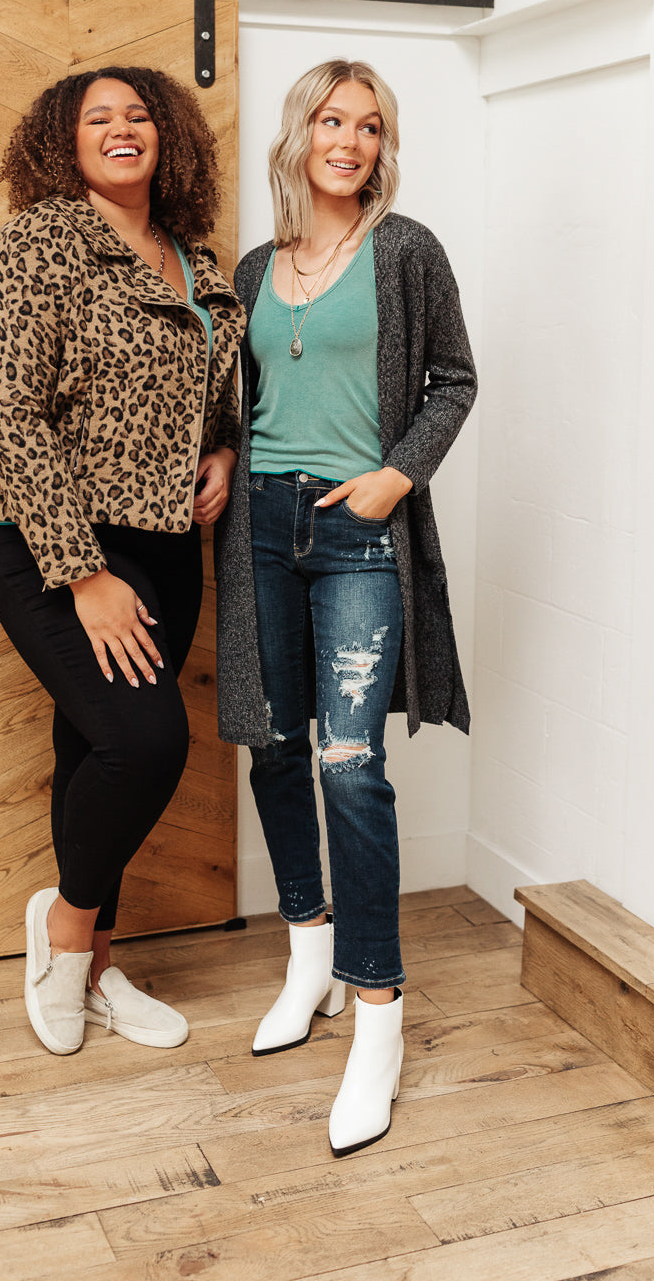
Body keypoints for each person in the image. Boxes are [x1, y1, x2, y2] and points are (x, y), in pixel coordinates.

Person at [216, 58, 476, 1156]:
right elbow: (244, 398)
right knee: (274, 747)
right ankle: (308, 955)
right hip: (260, 529)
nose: (350, 141)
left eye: (369, 125)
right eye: (332, 119)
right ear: (301, 134)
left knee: (347, 765)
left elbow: (452, 380)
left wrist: (396, 474)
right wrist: (221, 461)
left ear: (382, 146)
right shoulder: (255, 265)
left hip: (358, 527)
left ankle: (378, 1012)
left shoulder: (406, 249)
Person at [0, 65, 244, 1058]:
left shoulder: (191, 257)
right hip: (44, 542)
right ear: (62, 141)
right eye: (98, 118)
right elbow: (4, 415)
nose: (123, 129)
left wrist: (221, 449)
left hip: (164, 541)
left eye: (138, 115)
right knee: (144, 743)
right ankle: (66, 930)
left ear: (166, 136)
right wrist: (82, 574)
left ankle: (95, 971)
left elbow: (212, 395)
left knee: (92, 749)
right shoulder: (36, 248)